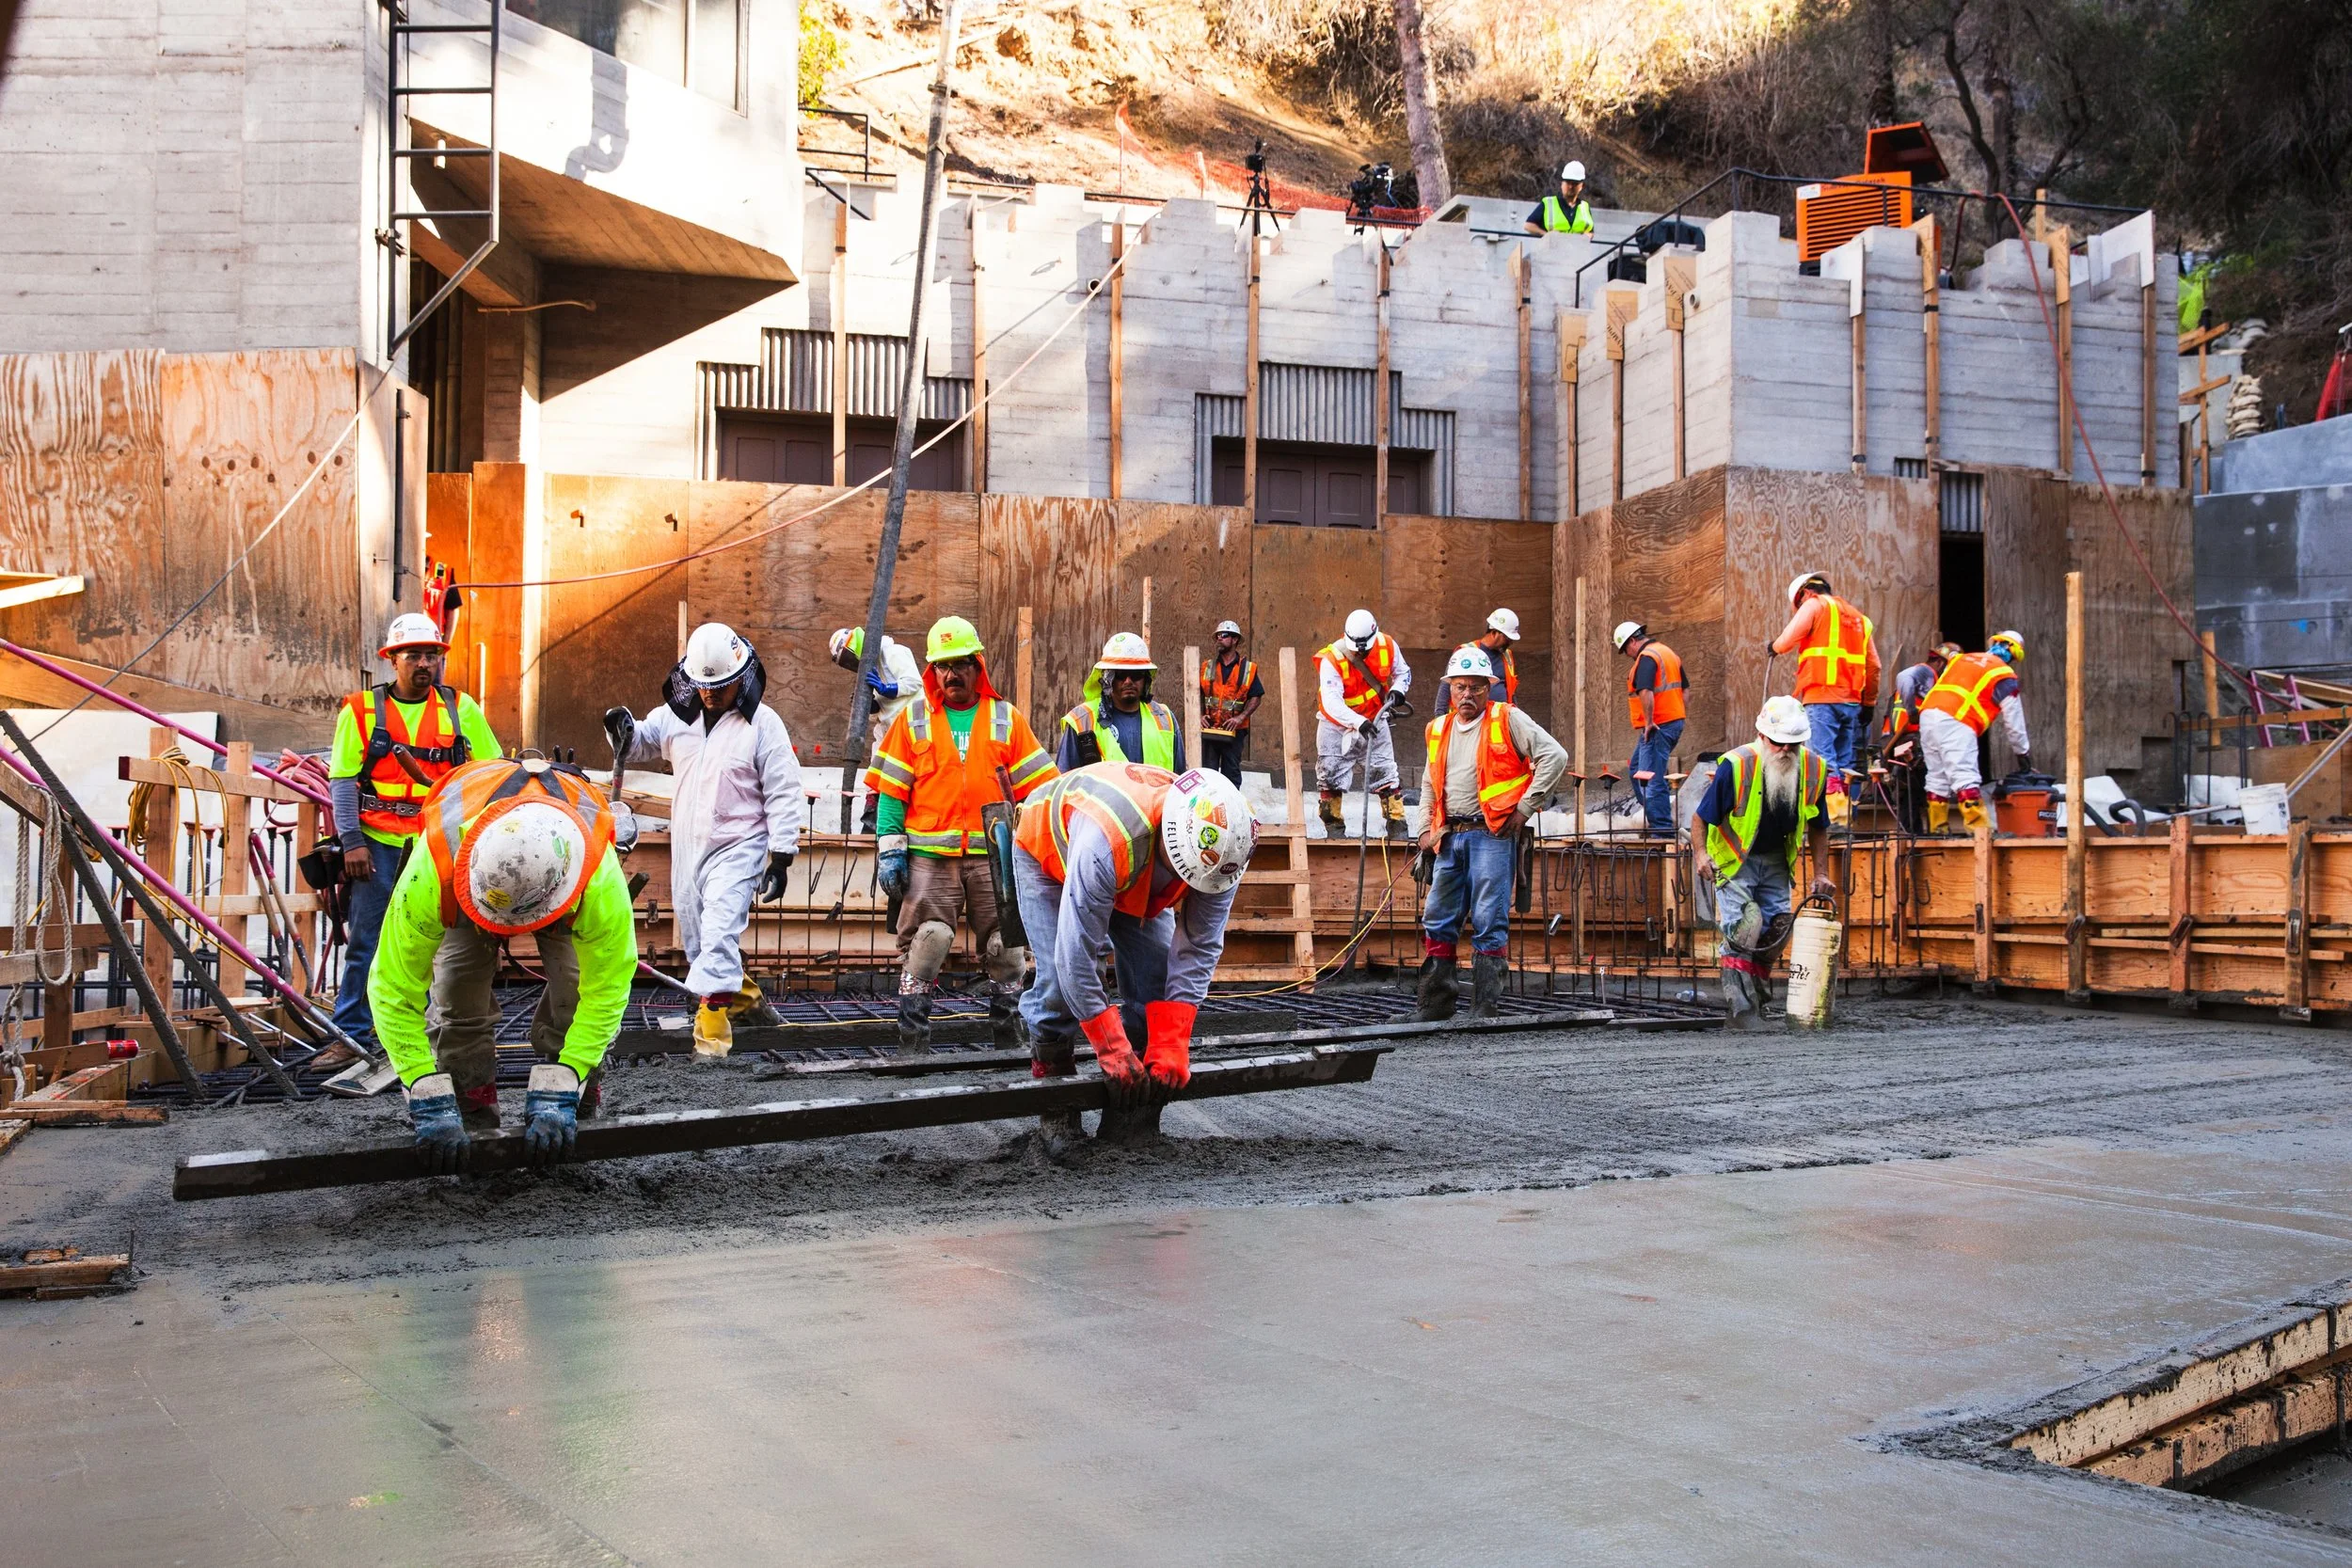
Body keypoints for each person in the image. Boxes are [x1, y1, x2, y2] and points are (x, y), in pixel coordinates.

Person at [373, 756, 633, 1170]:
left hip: (559, 891)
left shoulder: (596, 875)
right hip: (462, 891)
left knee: (575, 994)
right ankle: (472, 1126)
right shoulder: (432, 870)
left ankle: (573, 1109)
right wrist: (422, 1087)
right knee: (458, 1002)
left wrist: (572, 1073)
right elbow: (391, 988)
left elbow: (607, 990)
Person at [1012, 762, 1256, 1159]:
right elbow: (1077, 955)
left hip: (1133, 865)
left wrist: (1173, 1038)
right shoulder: (1107, 843)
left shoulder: (1227, 846)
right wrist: (1110, 1046)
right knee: (1059, 986)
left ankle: (1130, 1122)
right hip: (1048, 851)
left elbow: (1199, 944)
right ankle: (1057, 1114)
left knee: (1155, 982)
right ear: (1167, 841)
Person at [603, 623, 802, 1057]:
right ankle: (746, 1000)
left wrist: (782, 855)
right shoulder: (678, 717)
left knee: (716, 936)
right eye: (703, 685)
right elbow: (638, 743)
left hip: (739, 845)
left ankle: (711, 1043)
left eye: (722, 685)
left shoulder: (763, 726)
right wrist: (623, 729)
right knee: (698, 943)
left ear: (740, 678)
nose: (711, 694)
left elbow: (784, 790)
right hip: (689, 847)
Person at [866, 615, 1057, 1052]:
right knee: (929, 942)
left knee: (1006, 946)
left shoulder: (1006, 719)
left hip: (997, 854)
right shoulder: (914, 719)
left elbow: (1042, 790)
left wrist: (1042, 848)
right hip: (930, 856)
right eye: (943, 666)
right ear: (932, 672)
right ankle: (913, 1040)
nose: (952, 674)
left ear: (978, 666)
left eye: (961, 664)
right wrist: (890, 850)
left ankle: (1008, 1037)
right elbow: (892, 793)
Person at [327, 612, 502, 1053]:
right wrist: (352, 841)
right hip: (378, 843)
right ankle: (350, 1034)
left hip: (437, 844)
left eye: (431, 655)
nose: (423, 663)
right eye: (413, 655)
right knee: (367, 940)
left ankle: (420, 1033)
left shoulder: (460, 708)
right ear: (393, 660)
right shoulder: (362, 710)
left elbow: (493, 772)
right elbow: (343, 780)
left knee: (434, 938)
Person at [1414, 647, 1569, 1022]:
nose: (1468, 695)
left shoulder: (1506, 718)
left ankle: (1484, 1007)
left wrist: (1526, 807)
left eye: (1476, 688)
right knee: (1437, 916)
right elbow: (1429, 784)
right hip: (1450, 837)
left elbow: (1555, 756)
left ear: (1489, 688)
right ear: (1450, 689)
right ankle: (1435, 1005)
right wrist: (1423, 830)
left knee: (1488, 918)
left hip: (1492, 835)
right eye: (1460, 687)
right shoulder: (1439, 728)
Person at [1693, 696, 1836, 1030]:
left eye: (1793, 744)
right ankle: (1741, 1012)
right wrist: (1701, 854)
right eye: (1778, 743)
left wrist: (1821, 873)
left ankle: (1757, 999)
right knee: (1747, 926)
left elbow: (1819, 826)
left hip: (1776, 860)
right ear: (1762, 736)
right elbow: (1701, 819)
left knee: (1779, 928)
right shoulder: (1737, 764)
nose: (1785, 750)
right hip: (1735, 860)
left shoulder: (1813, 768)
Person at [1770, 571, 1881, 828]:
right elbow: (1874, 666)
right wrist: (1869, 703)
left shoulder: (1815, 605)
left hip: (1821, 697)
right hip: (1851, 701)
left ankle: (1832, 825)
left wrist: (1774, 646)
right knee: (1846, 764)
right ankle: (1845, 823)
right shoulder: (1859, 618)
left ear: (1806, 594)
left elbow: (1787, 639)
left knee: (1824, 762)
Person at [1917, 631, 2032, 834]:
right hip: (1957, 720)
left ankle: (1938, 830)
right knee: (1964, 775)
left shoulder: (1962, 659)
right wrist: (2023, 754)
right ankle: (1980, 831)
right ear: (2014, 654)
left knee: (1937, 775)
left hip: (1928, 715)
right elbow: (2014, 722)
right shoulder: (2004, 675)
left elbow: (1944, 659)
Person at [1316, 609, 1414, 840]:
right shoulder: (1331, 659)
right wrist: (1357, 722)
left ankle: (1397, 827)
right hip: (1336, 725)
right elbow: (1331, 702)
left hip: (1375, 719)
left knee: (1386, 774)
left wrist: (1399, 690)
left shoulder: (1388, 646)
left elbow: (1403, 673)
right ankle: (1334, 831)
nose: (1360, 652)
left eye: (1365, 648)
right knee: (1330, 776)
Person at [831, 626, 924, 832]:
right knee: (876, 776)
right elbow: (881, 711)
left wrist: (888, 689)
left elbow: (913, 682)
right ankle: (872, 824)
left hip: (913, 726)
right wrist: (871, 706)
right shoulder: (871, 670)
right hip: (889, 732)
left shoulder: (895, 652)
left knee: (906, 781)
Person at [1057, 633, 1184, 773]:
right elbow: (1064, 782)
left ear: (1146, 679)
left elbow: (1180, 778)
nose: (1128, 681)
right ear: (1107, 679)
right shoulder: (1082, 720)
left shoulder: (1165, 718)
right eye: (1120, 674)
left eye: (1136, 675)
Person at [1613, 620, 1688, 838]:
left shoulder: (1647, 658)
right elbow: (1686, 692)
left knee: (1649, 779)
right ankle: (1656, 817)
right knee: (1637, 768)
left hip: (1657, 726)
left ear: (1633, 641)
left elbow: (1645, 690)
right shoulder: (1668, 653)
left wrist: (1649, 722)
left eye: (1626, 649)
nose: (1628, 654)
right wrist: (1676, 716)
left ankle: (1662, 831)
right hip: (1671, 722)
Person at [1878, 641, 1963, 831]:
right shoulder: (1925, 672)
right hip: (1908, 741)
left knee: (1912, 796)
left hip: (1899, 742)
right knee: (1917, 789)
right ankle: (1923, 838)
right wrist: (1912, 711)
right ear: (1941, 662)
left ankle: (1916, 839)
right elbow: (1904, 676)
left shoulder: (1930, 680)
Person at [1197, 620, 1264, 787]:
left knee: (1231, 774)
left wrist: (1240, 718)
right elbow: (1196, 693)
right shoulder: (1207, 666)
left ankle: (1231, 810)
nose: (1219, 639)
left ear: (1235, 640)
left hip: (1234, 732)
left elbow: (1256, 696)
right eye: (1217, 636)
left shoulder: (1247, 669)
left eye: (1223, 635)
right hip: (1210, 729)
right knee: (1208, 774)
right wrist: (1199, 715)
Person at [1525, 161, 1595, 236]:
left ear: (1581, 186)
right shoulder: (1548, 203)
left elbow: (1590, 231)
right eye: (1568, 182)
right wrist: (1547, 236)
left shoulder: (1585, 207)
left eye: (1575, 183)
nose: (1571, 187)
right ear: (1562, 183)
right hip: (1553, 247)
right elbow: (1528, 225)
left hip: (1577, 247)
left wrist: (1587, 236)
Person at [1470, 608, 1520, 704]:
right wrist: (1440, 716)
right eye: (1507, 638)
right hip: (1474, 716)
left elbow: (1510, 691)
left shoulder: (1507, 655)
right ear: (1494, 633)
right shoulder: (1467, 651)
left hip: (1500, 715)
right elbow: (1446, 687)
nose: (1510, 642)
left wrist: (1514, 712)